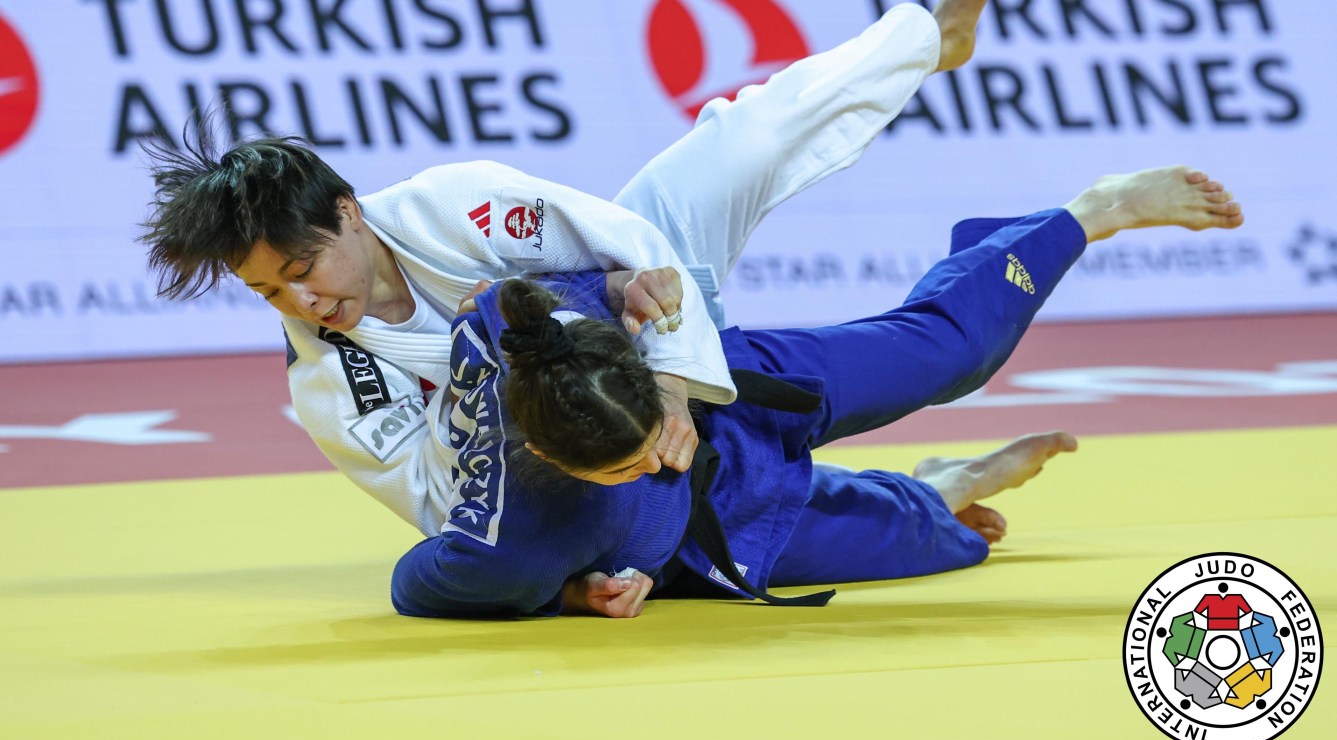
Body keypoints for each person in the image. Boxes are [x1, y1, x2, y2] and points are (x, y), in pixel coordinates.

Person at [137, 0, 991, 523]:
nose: (298, 300)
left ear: (347, 213)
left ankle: (926, 35)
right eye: (265, 292)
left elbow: (636, 245)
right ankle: (920, 495)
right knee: (742, 488)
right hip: (584, 459)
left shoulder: (455, 202)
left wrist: (671, 379)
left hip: (652, 323)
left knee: (741, 141)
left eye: (300, 266)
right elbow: (441, 511)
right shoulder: (329, 383)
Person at [390, 164, 1244, 619]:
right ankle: (942, 484)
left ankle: (1092, 210)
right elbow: (412, 585)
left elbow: (523, 296)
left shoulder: (529, 328)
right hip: (706, 538)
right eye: (628, 467)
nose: (655, 456)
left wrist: (626, 299)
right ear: (544, 455)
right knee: (937, 542)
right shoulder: (509, 548)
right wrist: (570, 596)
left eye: (649, 432)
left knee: (952, 358)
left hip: (736, 393)